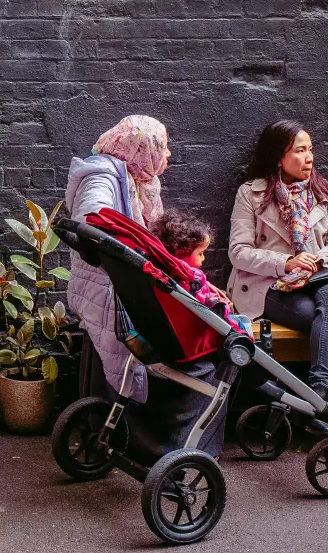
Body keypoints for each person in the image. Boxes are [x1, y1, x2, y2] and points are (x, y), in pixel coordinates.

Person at [66, 115, 224, 462]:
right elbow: (92, 218)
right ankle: (171, 446)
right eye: (162, 147)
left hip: (122, 284)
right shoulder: (102, 176)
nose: (167, 155)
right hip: (115, 287)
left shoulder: (137, 181)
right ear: (140, 149)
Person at [228, 120, 328, 400]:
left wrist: (317, 261)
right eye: (299, 150)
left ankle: (318, 392)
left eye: (310, 149)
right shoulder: (251, 193)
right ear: (278, 157)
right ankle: (326, 398)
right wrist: (287, 263)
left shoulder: (323, 192)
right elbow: (239, 251)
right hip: (271, 284)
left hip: (319, 276)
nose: (309, 157)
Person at [150, 209, 253, 337]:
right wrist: (225, 305)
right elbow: (209, 310)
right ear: (182, 251)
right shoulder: (192, 278)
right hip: (206, 332)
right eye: (200, 253)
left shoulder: (166, 272)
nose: (203, 258)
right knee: (243, 323)